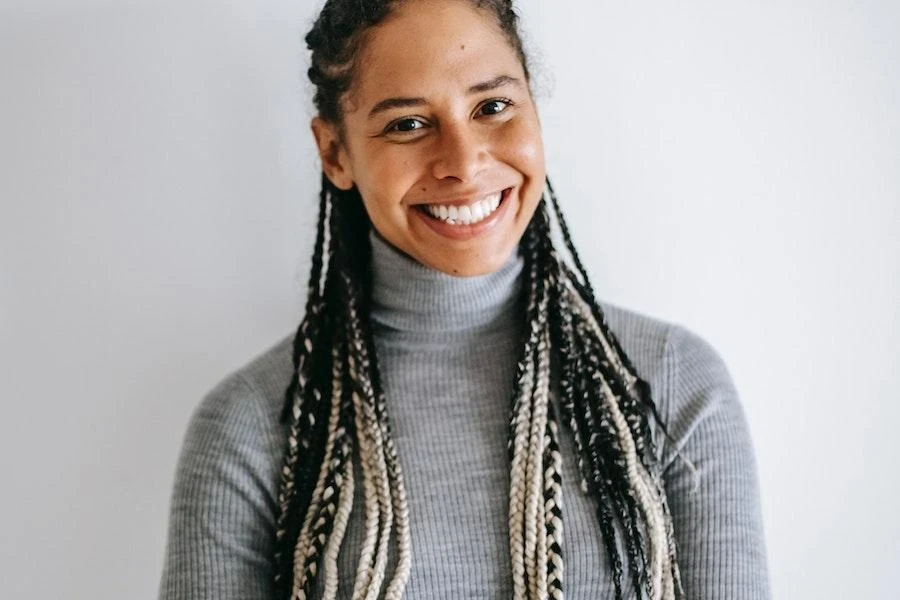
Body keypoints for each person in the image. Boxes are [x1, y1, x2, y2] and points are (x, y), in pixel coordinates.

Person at [158, 1, 770, 599]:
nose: (464, 161)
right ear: (335, 153)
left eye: (494, 106)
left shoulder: (671, 384)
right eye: (407, 123)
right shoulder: (249, 426)